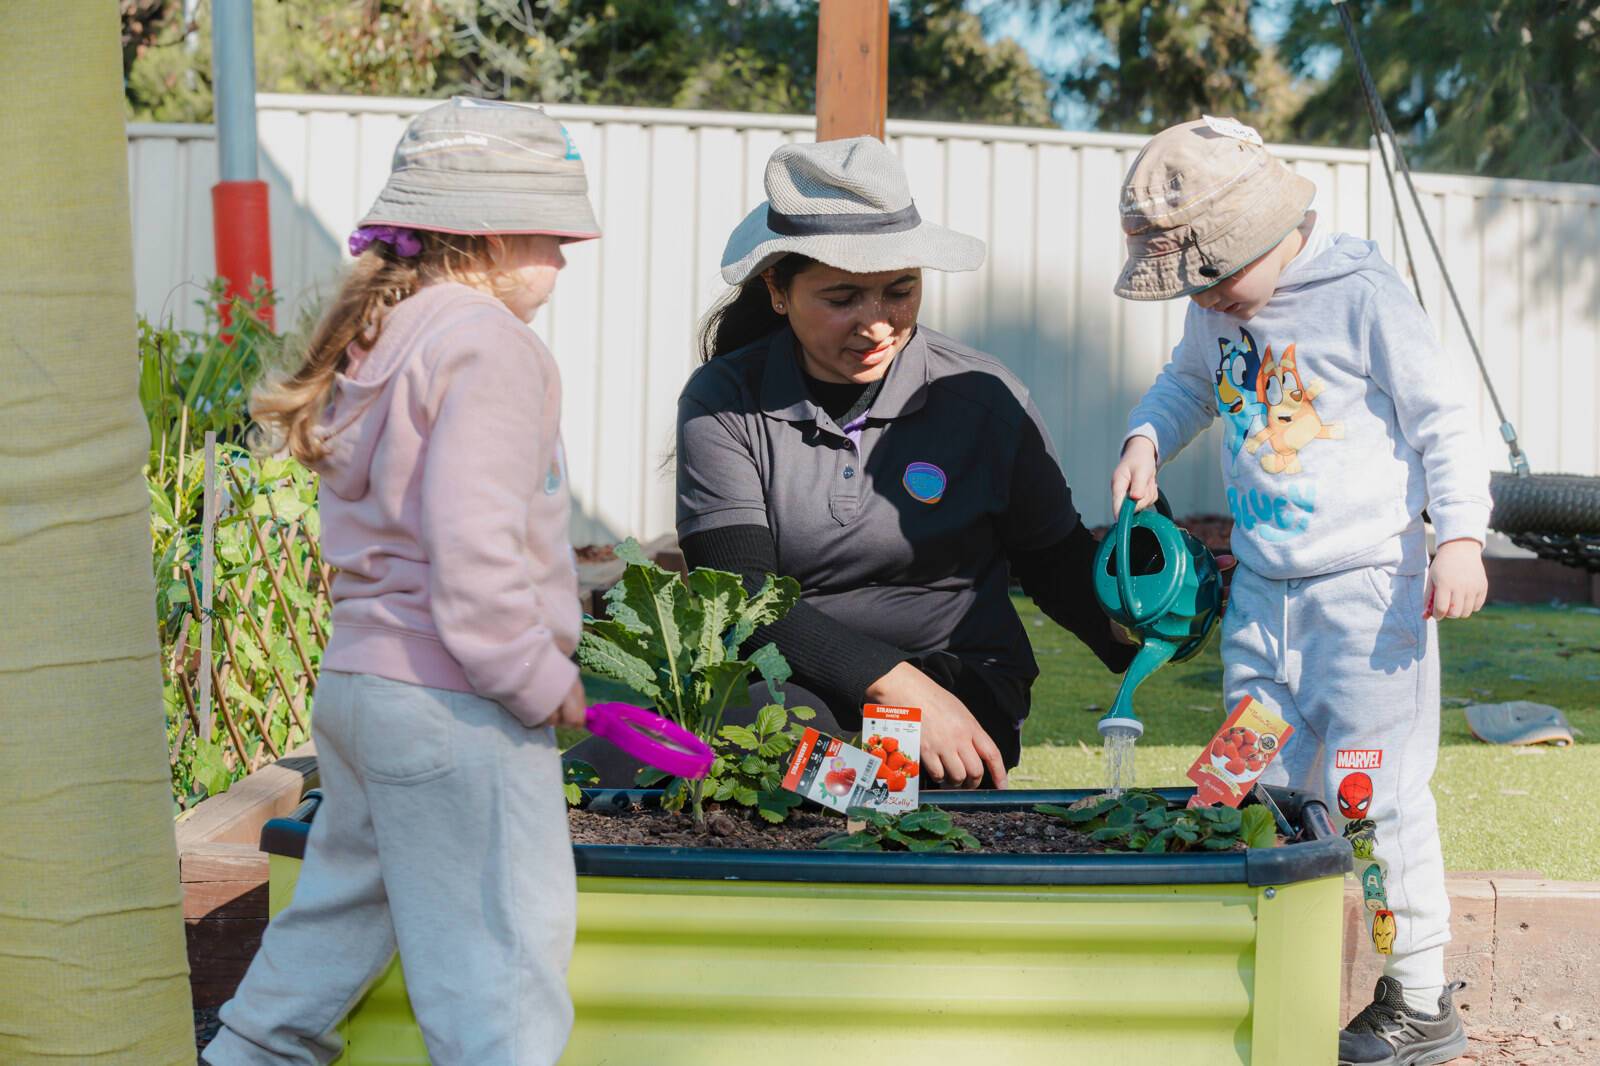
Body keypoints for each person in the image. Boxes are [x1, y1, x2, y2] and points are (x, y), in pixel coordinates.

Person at [203, 98, 600, 1066]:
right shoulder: (493, 343)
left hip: (363, 686)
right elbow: (472, 552)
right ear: (494, 232)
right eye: (554, 235)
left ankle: (249, 1051)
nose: (564, 256)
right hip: (455, 699)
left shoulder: (388, 334)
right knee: (500, 961)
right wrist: (540, 679)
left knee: (342, 909)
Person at [1109, 117, 1490, 1066]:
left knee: (1373, 795)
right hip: (1264, 594)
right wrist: (1147, 437)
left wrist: (1462, 540)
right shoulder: (1217, 307)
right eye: (1193, 288)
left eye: (1215, 278)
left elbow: (1444, 423)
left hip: (1368, 600)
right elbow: (1187, 384)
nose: (1208, 301)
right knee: (1245, 773)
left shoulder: (1362, 295)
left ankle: (1420, 991)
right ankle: (1247, 957)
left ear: (1265, 232)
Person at [586, 136, 1136, 791]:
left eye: (900, 290)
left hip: (957, 689)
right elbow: (743, 600)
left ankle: (875, 802)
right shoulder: (723, 401)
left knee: (819, 779)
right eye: (843, 298)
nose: (877, 324)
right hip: (786, 688)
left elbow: (1056, 561)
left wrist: (1140, 626)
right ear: (778, 290)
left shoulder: (983, 398)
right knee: (644, 762)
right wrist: (894, 684)